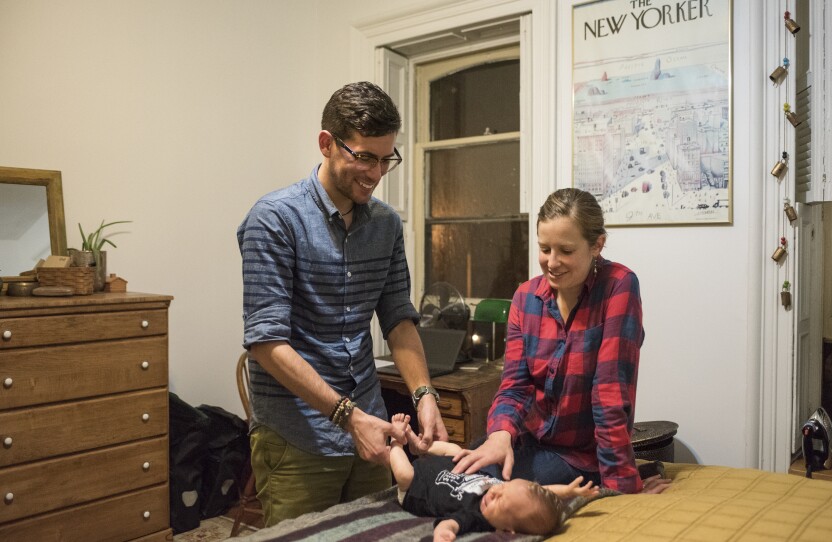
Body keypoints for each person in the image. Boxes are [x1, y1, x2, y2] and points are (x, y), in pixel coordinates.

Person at [237, 81, 448, 526]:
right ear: (326, 144)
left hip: (372, 432)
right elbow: (265, 342)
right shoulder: (275, 219)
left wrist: (425, 396)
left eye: (385, 158)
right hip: (298, 436)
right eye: (363, 157)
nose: (375, 173)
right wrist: (348, 418)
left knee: (376, 532)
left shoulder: (387, 225)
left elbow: (397, 318)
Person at [452, 188, 669, 495]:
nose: (552, 262)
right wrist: (500, 436)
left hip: (580, 457)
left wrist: (622, 489)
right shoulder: (525, 298)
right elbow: (515, 386)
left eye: (565, 251)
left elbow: (609, 393)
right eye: (544, 249)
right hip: (528, 442)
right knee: (457, 472)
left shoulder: (619, 287)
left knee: (483, 491)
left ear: (597, 245)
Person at [387, 414, 600, 541]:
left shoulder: (477, 516)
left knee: (403, 474)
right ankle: (418, 445)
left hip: (418, 486)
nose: (496, 491)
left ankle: (396, 441)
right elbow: (539, 493)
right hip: (449, 466)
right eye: (504, 488)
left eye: (500, 501)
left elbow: (450, 524)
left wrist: (443, 534)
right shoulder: (501, 490)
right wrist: (570, 492)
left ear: (505, 530)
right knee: (456, 449)